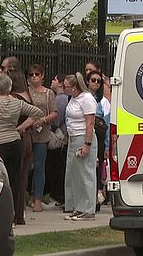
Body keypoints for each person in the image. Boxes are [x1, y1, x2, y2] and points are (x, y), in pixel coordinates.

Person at [0, 73, 43, 226]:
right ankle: (11, 216)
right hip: (14, 141)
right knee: (13, 180)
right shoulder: (16, 103)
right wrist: (21, 127)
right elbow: (37, 112)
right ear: (10, 88)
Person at [63, 72, 97, 221]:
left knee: (85, 173)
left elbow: (90, 122)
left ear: (74, 87)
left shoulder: (87, 99)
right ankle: (78, 206)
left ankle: (88, 209)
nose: (64, 89)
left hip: (83, 138)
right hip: (73, 137)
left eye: (67, 87)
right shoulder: (73, 99)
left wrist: (87, 144)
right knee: (74, 174)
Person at [26, 64, 57, 212]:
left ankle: (38, 198)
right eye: (31, 74)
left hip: (42, 133)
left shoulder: (48, 93)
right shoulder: (26, 92)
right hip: (28, 132)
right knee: (25, 167)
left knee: (39, 167)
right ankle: (25, 197)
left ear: (42, 76)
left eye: (37, 74)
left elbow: (54, 113)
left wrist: (43, 120)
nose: (34, 77)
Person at [8, 69, 34, 224]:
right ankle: (20, 213)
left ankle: (13, 213)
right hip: (28, 139)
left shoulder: (14, 98)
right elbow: (35, 114)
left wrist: (18, 128)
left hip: (17, 139)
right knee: (23, 177)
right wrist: (26, 126)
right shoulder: (27, 96)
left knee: (14, 177)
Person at [86, 70, 111, 211]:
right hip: (85, 136)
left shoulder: (103, 102)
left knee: (96, 169)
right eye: (93, 80)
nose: (95, 83)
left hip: (100, 140)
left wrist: (107, 147)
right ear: (87, 81)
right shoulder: (83, 98)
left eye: (98, 81)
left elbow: (107, 124)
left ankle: (95, 198)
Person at [45, 73, 69, 206]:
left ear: (60, 83)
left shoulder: (60, 99)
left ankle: (59, 196)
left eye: (54, 79)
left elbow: (56, 119)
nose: (52, 81)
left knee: (57, 168)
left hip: (60, 138)